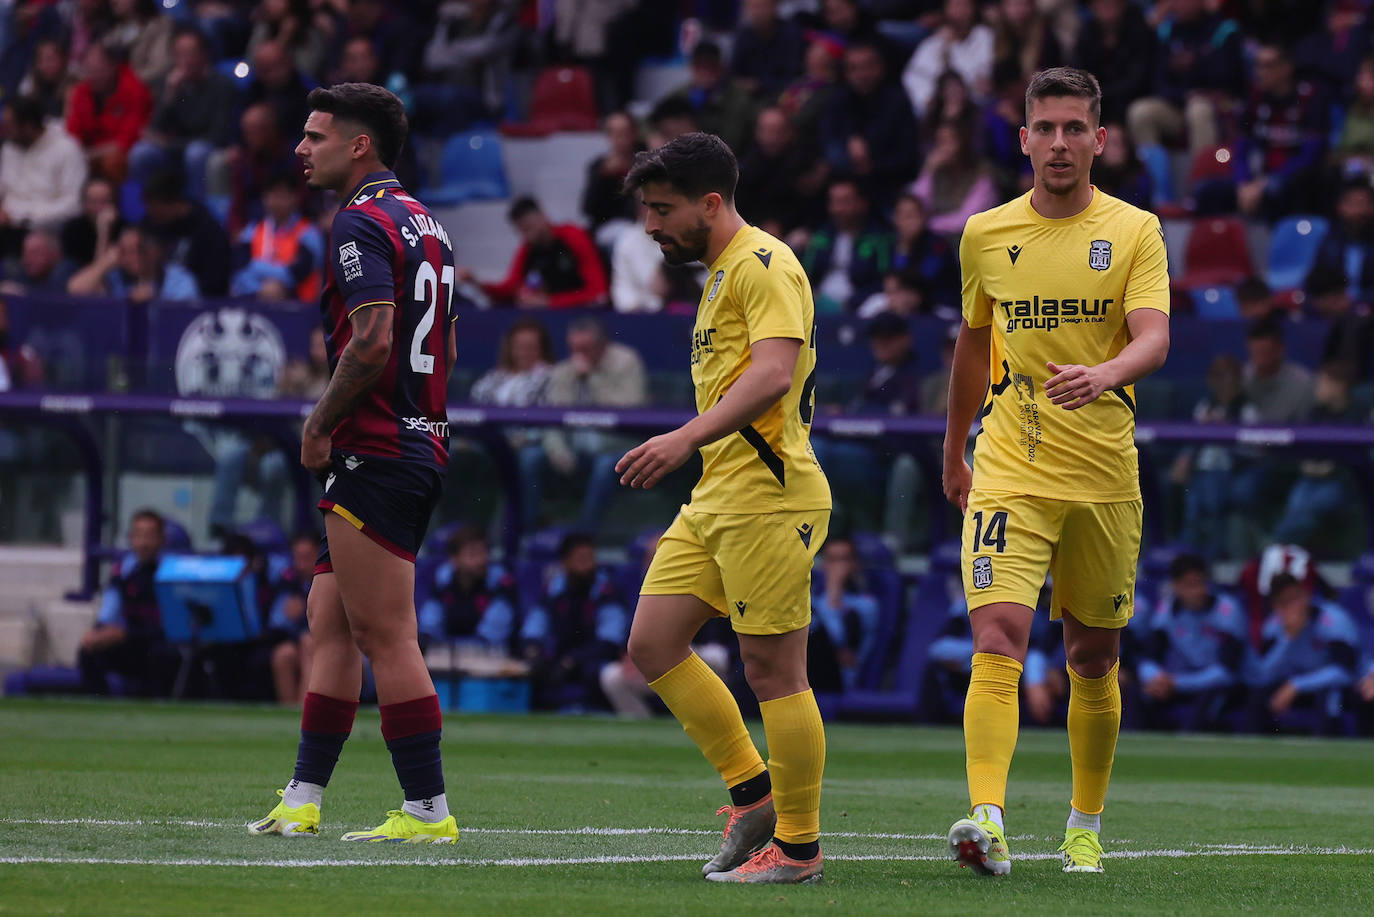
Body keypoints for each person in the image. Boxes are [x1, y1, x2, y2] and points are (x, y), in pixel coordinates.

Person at [941, 68, 1170, 877]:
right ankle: (988, 820)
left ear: (1100, 139)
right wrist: (953, 447)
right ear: (1025, 137)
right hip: (1009, 466)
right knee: (998, 639)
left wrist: (1106, 374)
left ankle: (1083, 827)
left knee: (1093, 659)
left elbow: (1153, 336)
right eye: (1047, 128)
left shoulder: (1136, 229)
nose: (1062, 142)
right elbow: (973, 343)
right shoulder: (984, 234)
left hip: (1105, 473)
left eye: (1077, 128)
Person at [248, 83, 461, 844]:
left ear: (359, 145)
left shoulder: (359, 221)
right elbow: (441, 344)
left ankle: (428, 811)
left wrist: (320, 420)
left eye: (315, 136)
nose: (302, 149)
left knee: (386, 633)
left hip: (376, 446)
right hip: (413, 438)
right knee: (329, 624)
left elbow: (372, 340)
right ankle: (303, 796)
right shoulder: (427, 223)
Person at [618, 132, 831, 884]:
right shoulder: (717, 275)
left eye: (662, 209)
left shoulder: (763, 264)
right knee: (652, 641)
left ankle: (799, 849)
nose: (651, 226)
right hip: (719, 493)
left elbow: (774, 373)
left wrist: (682, 437)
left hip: (770, 495)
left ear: (711, 202)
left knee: (775, 671)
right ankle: (752, 793)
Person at [526, 317, 647, 531]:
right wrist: (557, 451)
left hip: (616, 446)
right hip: (576, 448)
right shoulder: (564, 370)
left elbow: (632, 406)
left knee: (604, 466)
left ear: (602, 345)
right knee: (530, 458)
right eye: (574, 348)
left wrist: (591, 377)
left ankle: (584, 536)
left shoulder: (626, 361)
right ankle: (528, 530)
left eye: (585, 348)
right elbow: (551, 417)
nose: (579, 355)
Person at [1136, 554, 1248, 731]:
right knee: (1143, 694)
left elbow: (1228, 670)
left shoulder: (1227, 611)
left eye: (1201, 583)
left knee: (1207, 702)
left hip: (1217, 686)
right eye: (1190, 585)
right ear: (1175, 586)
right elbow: (1149, 657)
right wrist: (1155, 678)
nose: (1198, 591)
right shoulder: (1166, 611)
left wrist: (1177, 683)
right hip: (1176, 683)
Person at [520, 532, 629, 711]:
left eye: (590, 558)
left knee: (592, 671)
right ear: (565, 562)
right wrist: (533, 650)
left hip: (592, 659)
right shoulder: (554, 589)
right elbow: (534, 626)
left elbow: (609, 641)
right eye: (580, 559)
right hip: (560, 657)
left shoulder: (606, 592)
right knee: (536, 668)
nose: (588, 565)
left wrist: (572, 660)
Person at [77, 509, 176, 697]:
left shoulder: (171, 572)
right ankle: (99, 710)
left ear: (161, 539)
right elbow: (109, 614)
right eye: (139, 536)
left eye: (150, 536)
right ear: (131, 538)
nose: (144, 543)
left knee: (161, 656)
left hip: (160, 644)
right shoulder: (123, 573)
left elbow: (171, 626)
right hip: (130, 643)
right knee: (88, 651)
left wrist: (124, 633)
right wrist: (98, 633)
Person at [1249, 572, 1360, 735]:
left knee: (1330, 696)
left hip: (1328, 686)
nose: (1294, 606)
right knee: (1258, 696)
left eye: (1296, 598)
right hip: (1292, 686)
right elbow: (1263, 675)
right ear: (1276, 606)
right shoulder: (1273, 626)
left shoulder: (1332, 620)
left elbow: (1344, 670)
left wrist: (1297, 685)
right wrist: (1287, 638)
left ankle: (1324, 751)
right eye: (1285, 602)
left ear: (1306, 595)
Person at [463, 196, 608, 309]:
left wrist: (549, 302)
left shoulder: (573, 236)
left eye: (529, 227)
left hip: (583, 314)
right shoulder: (528, 248)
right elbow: (510, 289)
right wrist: (477, 283)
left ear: (543, 216)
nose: (527, 235)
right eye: (522, 230)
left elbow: (597, 292)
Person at [0, 96, 87, 255]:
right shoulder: (9, 148)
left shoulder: (66, 150)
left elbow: (73, 205)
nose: (3, 131)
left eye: (9, 126)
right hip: (7, 226)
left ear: (28, 126)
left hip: (46, 229)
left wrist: (19, 216)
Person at [64, 40, 154, 182]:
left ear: (112, 66)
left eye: (98, 70)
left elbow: (126, 141)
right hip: (89, 154)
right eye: (89, 70)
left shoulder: (135, 91)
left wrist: (88, 155)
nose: (93, 76)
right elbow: (73, 134)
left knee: (112, 162)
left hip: (122, 155)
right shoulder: (82, 91)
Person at [418, 526, 518, 653]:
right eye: (473, 554)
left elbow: (492, 638)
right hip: (446, 656)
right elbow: (430, 626)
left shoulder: (501, 583)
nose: (481, 560)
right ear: (454, 559)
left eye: (484, 552)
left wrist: (446, 648)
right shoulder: (443, 581)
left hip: (489, 659)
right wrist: (427, 640)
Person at [230, 172, 325, 301]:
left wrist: (257, 267)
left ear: (295, 197)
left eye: (282, 196)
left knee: (273, 289)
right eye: (272, 195)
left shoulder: (309, 233)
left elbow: (296, 273)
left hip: (300, 304)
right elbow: (240, 268)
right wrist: (261, 288)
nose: (277, 201)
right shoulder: (253, 230)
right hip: (258, 297)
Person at [808, 536, 880, 693]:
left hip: (840, 676)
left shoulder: (865, 605)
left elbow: (836, 641)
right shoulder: (813, 600)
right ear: (824, 564)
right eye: (832, 560)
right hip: (806, 669)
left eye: (844, 560)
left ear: (854, 564)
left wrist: (834, 591)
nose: (838, 567)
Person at [264, 532, 319, 705]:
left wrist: (305, 612)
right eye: (297, 558)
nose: (301, 565)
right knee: (283, 654)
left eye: (307, 558)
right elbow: (277, 623)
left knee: (308, 643)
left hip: (330, 645)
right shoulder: (288, 583)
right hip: (297, 641)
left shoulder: (329, 581)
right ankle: (289, 713)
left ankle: (305, 712)